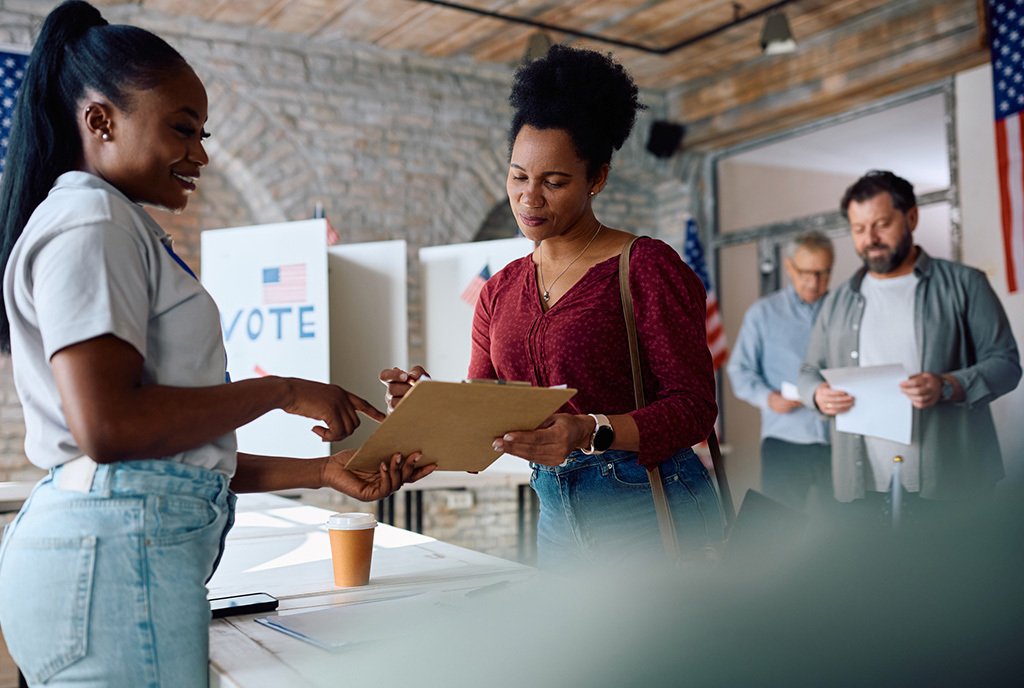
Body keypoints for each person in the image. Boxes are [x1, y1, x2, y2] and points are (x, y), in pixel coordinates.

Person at [0, 3, 433, 686]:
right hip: (113, 567)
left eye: (203, 133)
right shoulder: (91, 220)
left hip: (113, 564)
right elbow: (111, 431)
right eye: (181, 130)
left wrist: (322, 474)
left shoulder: (113, 224)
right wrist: (283, 390)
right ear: (100, 121)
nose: (199, 154)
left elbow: (169, 458)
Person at [382, 45, 723, 569]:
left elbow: (694, 408)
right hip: (556, 512)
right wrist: (431, 407)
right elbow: (490, 406)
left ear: (598, 178)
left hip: (648, 507)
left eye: (554, 182)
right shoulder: (500, 290)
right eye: (518, 177)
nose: (529, 199)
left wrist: (591, 430)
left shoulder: (645, 266)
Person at [798, 170, 1020, 520]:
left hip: (953, 481)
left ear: (911, 217)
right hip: (861, 484)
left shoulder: (966, 284)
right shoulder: (837, 300)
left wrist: (949, 385)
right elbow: (809, 371)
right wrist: (816, 395)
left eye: (881, 223)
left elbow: (1006, 364)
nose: (870, 238)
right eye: (858, 229)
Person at [727, 231, 835, 513]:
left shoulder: (842, 310)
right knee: (781, 528)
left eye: (824, 273)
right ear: (789, 267)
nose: (814, 282)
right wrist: (769, 398)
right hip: (785, 441)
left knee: (843, 528)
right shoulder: (762, 314)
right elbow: (739, 370)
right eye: (806, 272)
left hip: (840, 440)